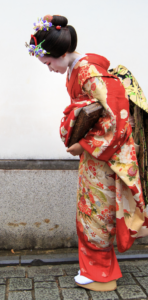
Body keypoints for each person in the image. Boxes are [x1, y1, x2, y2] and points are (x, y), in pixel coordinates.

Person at [26, 15, 148, 291]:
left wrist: (84, 144)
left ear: (63, 53)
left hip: (104, 156)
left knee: (97, 213)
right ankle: (96, 269)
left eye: (48, 63)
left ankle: (101, 274)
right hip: (97, 156)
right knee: (91, 209)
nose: (49, 69)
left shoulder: (89, 72)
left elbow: (115, 118)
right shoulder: (79, 68)